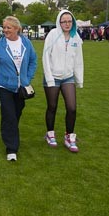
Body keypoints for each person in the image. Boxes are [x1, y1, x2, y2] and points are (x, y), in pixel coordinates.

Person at [0, 16, 37, 162]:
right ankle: (11, 149)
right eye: (4, 27)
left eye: (8, 28)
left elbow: (33, 61)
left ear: (17, 29)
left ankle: (8, 131)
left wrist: (27, 78)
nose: (5, 30)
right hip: (4, 86)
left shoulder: (26, 43)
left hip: (21, 88)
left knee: (15, 115)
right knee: (10, 116)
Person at [42, 10, 83, 153]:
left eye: (69, 21)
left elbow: (78, 60)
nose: (67, 24)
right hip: (52, 76)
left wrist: (79, 79)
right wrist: (48, 77)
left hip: (68, 77)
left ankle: (69, 137)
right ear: (59, 22)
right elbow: (45, 56)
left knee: (72, 108)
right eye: (64, 21)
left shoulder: (75, 37)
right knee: (52, 107)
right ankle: (50, 134)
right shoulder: (53, 35)